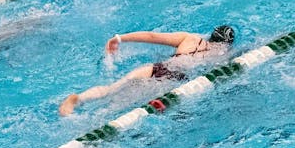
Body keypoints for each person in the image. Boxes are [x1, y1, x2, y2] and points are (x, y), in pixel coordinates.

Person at [59, 25, 236, 116]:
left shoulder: (189, 38)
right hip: (170, 81)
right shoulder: (221, 55)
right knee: (116, 109)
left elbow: (152, 36)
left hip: (154, 69)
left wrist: (119, 39)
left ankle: (78, 98)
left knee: (111, 89)